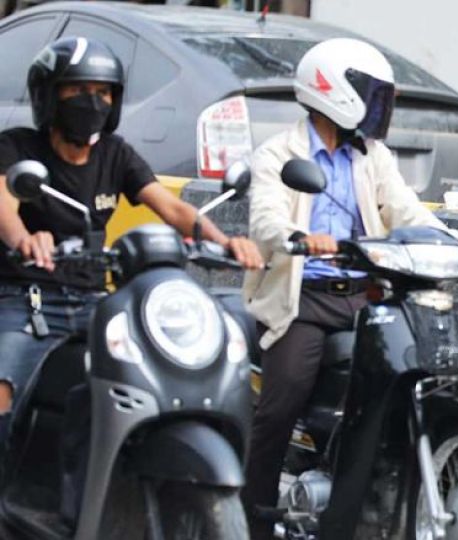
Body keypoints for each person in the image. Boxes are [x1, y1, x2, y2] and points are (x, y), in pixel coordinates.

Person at [240, 38, 458, 539]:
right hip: (304, 301)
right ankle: (252, 519)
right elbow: (266, 220)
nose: (379, 108)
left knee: (413, 378)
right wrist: (300, 238)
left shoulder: (372, 156)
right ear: (334, 93)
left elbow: (409, 212)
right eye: (372, 95)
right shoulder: (279, 153)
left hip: (368, 295)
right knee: (282, 402)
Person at [0, 36, 263, 522]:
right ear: (49, 95)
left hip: (93, 300)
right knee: (2, 390)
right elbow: (5, 206)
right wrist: (25, 240)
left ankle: (86, 507)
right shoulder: (18, 148)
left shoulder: (116, 155)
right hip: (26, 298)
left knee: (114, 387)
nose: (93, 103)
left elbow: (172, 207)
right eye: (79, 91)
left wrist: (224, 242)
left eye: (104, 93)